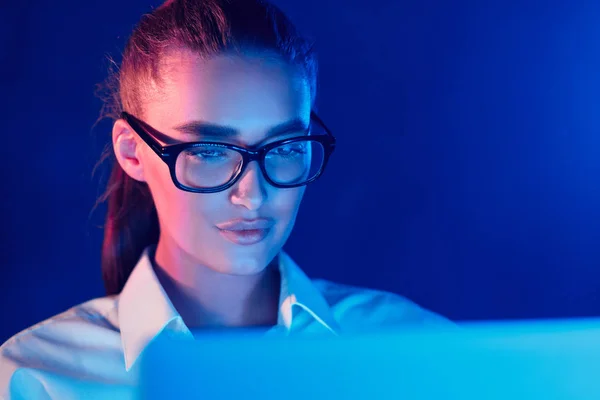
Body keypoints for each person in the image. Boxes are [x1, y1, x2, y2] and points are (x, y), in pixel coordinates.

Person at [0, 0, 450, 398]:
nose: (252, 194)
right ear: (132, 152)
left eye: (288, 147)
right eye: (208, 151)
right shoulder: (34, 382)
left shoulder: (418, 351)